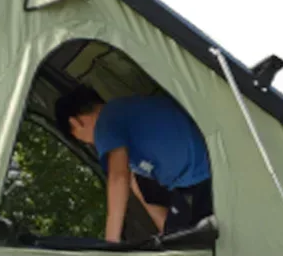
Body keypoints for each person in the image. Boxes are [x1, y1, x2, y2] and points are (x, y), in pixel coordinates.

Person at [55, 86, 212, 243]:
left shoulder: (105, 122)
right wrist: (169, 234)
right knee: (182, 240)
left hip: (197, 176)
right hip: (209, 164)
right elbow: (136, 185)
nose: (91, 143)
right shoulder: (130, 112)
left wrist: (111, 243)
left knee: (190, 246)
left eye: (81, 139)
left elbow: (118, 177)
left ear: (75, 122)